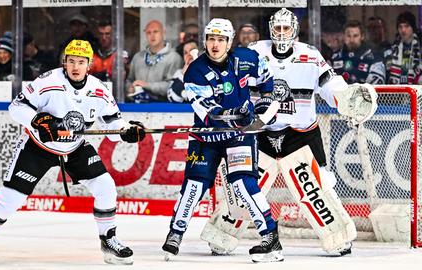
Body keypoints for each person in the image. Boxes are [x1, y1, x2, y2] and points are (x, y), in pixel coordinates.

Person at [202, 8, 378, 258]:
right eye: (278, 28)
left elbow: (330, 84)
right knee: (243, 187)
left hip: (300, 135)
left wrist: (344, 96)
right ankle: (222, 234)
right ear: (271, 29)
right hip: (260, 134)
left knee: (316, 190)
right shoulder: (255, 52)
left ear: (294, 31)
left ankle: (338, 236)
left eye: (286, 29)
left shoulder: (310, 55)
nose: (281, 33)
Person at [0, 40, 146, 265]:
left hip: (75, 147)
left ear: (89, 65)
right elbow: (16, 107)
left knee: (105, 186)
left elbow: (113, 124)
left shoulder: (99, 90)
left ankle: (108, 238)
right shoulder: (48, 81)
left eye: (81, 62)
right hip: (38, 148)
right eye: (71, 61)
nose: (75, 67)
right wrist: (37, 120)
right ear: (64, 62)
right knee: (11, 198)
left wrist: (126, 132)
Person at [161, 18, 283, 263]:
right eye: (211, 39)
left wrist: (267, 101)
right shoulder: (195, 71)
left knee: (243, 185)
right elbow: (209, 111)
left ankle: (270, 237)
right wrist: (234, 114)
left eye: (221, 39)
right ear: (205, 41)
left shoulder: (247, 58)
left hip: (239, 135)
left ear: (230, 42)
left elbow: (267, 79)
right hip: (206, 136)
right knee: (194, 186)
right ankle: (176, 232)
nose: (215, 44)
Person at [125, 20, 183, 102]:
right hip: (138, 106)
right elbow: (129, 80)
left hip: (164, 108)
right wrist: (129, 87)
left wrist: (147, 85)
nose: (152, 35)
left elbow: (173, 86)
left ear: (163, 33)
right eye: (149, 33)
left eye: (155, 31)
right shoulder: (138, 57)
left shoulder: (174, 57)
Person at [331, 20, 385, 84]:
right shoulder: (335, 57)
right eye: (348, 36)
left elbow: (377, 85)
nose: (351, 40)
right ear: (344, 36)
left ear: (362, 36)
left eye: (355, 36)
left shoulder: (374, 57)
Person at [385, 11, 422, 84]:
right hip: (396, 91)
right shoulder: (392, 50)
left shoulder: (420, 48)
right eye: (400, 27)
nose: (403, 30)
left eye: (406, 26)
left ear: (413, 28)